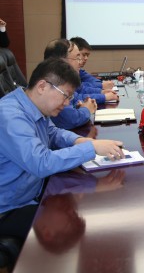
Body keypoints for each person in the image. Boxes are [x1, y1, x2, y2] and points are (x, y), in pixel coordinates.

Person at [0, 58, 124, 265]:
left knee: (84, 205)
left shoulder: (32, 105)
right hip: (7, 209)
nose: (67, 103)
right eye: (65, 96)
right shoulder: (10, 116)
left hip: (28, 194)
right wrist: (90, 148)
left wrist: (80, 141)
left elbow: (53, 133)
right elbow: (41, 163)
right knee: (87, 225)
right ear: (42, 86)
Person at [43, 39, 98, 129]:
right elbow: (71, 119)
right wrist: (87, 110)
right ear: (61, 61)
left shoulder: (62, 80)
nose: (80, 62)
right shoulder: (53, 84)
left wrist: (79, 106)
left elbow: (75, 98)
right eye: (77, 58)